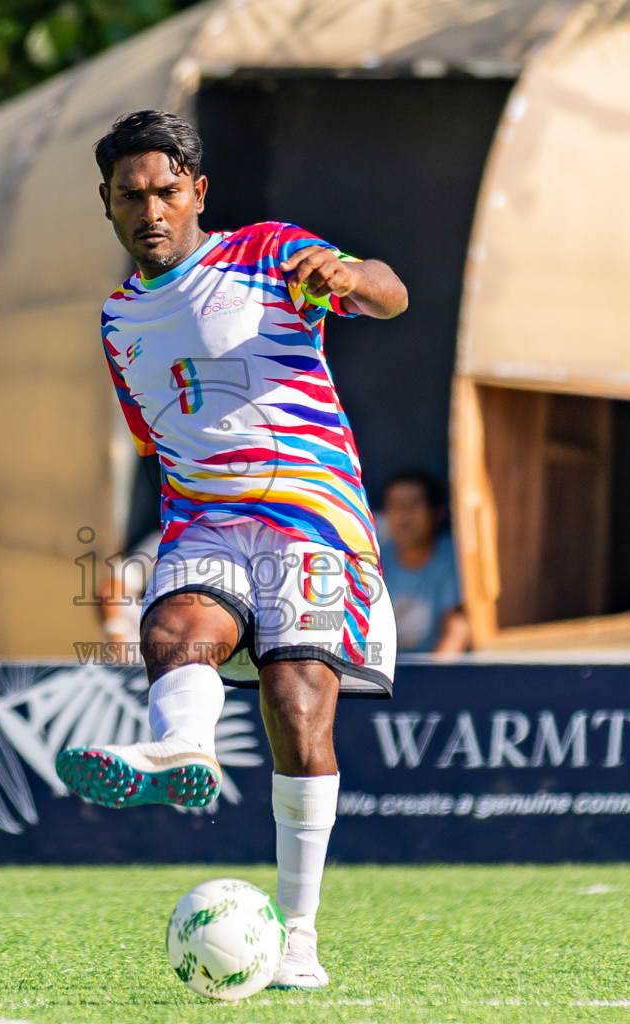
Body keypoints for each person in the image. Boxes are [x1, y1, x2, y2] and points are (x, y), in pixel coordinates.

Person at [56, 110, 408, 990]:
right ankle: (183, 747)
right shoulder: (118, 322)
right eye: (130, 196)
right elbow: (159, 442)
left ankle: (299, 936)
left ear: (198, 192)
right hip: (206, 519)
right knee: (174, 629)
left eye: (167, 192)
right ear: (106, 203)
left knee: (295, 698)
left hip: (310, 514)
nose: (151, 211)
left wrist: (351, 276)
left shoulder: (268, 255)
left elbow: (390, 292)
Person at [381, 471, 470, 654]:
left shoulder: (453, 560)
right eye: (396, 505)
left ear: (437, 513)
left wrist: (433, 672)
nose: (403, 514)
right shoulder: (374, 561)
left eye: (413, 505)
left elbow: (457, 629)